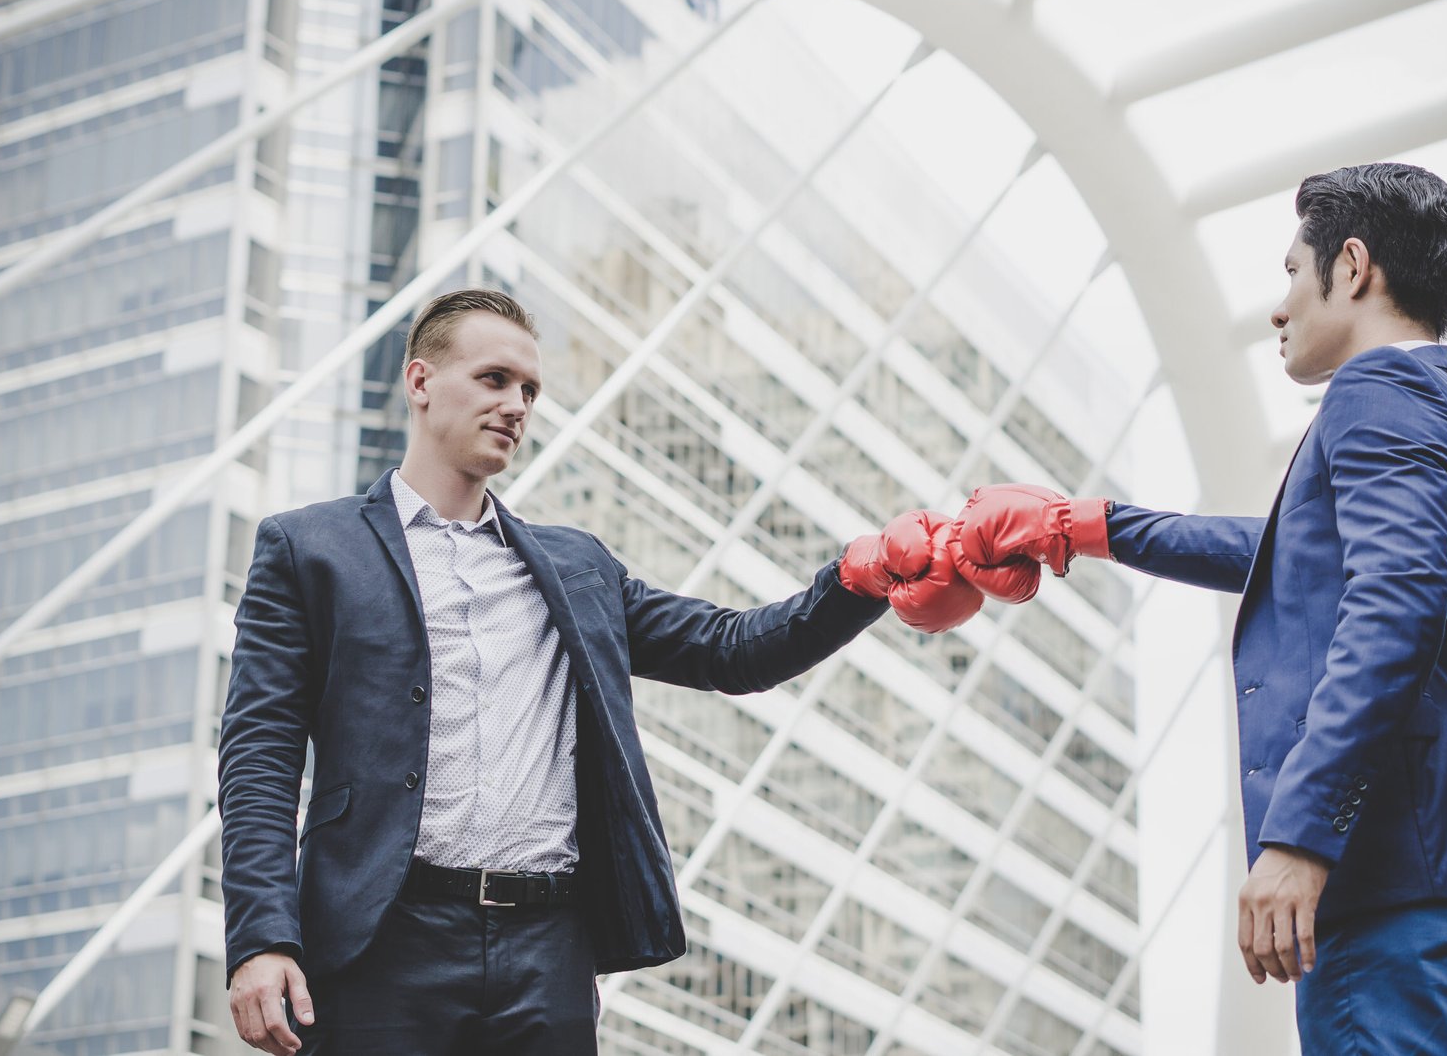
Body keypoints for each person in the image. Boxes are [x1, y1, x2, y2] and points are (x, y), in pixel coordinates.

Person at [217, 288, 985, 1055]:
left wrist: (866, 574)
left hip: (546, 948)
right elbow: (259, 756)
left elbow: (733, 649)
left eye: (530, 390)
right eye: (493, 379)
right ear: (419, 383)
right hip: (383, 936)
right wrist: (261, 938)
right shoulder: (308, 549)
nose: (517, 404)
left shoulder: (576, 566)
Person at [949, 163, 1447, 1053]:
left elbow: (1394, 601)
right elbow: (1303, 560)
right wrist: (1086, 524)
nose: (1278, 307)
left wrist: (1300, 836)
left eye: (1292, 271)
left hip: (1399, 876)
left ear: (1353, 266)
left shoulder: (1371, 392)